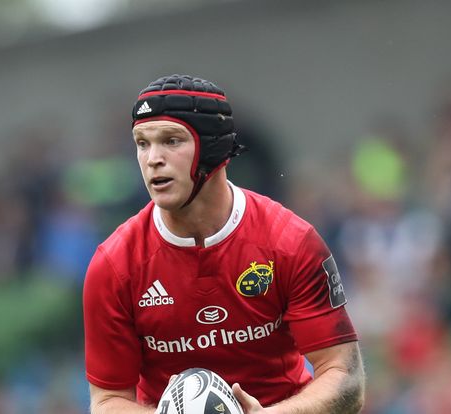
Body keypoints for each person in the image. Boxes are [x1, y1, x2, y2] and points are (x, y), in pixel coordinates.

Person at [83, 74, 365, 413]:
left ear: (213, 148)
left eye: (172, 141)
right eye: (142, 143)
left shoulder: (291, 243)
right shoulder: (114, 266)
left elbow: (346, 379)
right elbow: (108, 401)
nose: (152, 158)